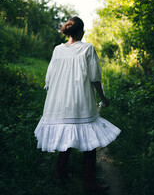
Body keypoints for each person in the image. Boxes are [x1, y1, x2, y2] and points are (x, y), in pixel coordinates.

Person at [34, 16, 121, 192]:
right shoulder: (87, 49)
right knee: (89, 142)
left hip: (59, 102)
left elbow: (49, 79)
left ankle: (60, 174)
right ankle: (89, 182)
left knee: (66, 137)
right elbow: (95, 78)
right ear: (81, 31)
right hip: (80, 101)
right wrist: (103, 99)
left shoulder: (57, 50)